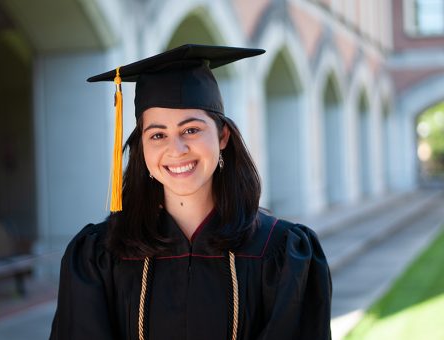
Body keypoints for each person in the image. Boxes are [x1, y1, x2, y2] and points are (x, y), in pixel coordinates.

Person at [49, 44, 332, 340]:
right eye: (158, 135)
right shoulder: (100, 254)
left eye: (191, 130)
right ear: (142, 147)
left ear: (223, 136)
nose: (177, 149)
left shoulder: (280, 251)